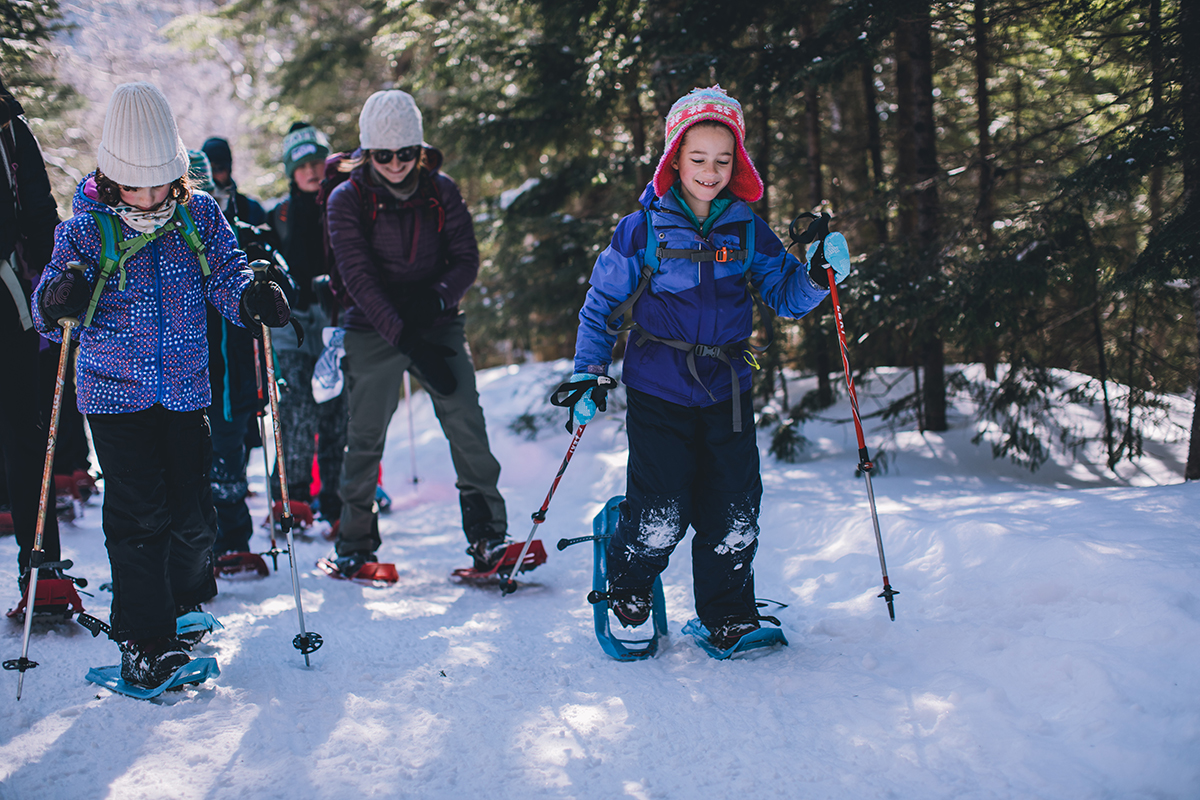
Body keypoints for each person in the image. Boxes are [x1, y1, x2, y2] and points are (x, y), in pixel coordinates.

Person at [564, 86, 847, 651]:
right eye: (698, 159)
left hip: (729, 392)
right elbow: (600, 306)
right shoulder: (640, 230)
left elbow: (783, 295)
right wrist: (587, 373)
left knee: (734, 511)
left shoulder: (746, 230)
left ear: (737, 163)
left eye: (723, 160)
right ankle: (629, 590)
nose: (710, 171)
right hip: (658, 390)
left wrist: (816, 276)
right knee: (661, 511)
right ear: (675, 158)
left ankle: (727, 613)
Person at [32, 82, 292, 689]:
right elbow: (50, 314)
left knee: (193, 513)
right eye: (135, 185)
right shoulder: (86, 228)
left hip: (183, 388)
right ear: (110, 174)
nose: (150, 199)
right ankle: (144, 639)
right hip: (113, 391)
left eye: (160, 184)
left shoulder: (198, 215)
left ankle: (179, 603)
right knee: (140, 514)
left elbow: (227, 275)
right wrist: (59, 296)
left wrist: (252, 296)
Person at [326, 89, 508, 576]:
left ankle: (489, 535)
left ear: (420, 150)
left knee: (466, 419)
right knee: (364, 435)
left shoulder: (440, 190)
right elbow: (358, 280)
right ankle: (354, 542)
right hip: (372, 326)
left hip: (437, 319)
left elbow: (466, 258)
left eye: (406, 153)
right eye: (383, 155)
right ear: (366, 153)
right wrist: (407, 341)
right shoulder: (347, 199)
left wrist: (432, 303)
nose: (395, 164)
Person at [0, 72, 64, 594]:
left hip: (9, 297)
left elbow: (40, 210)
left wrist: (51, 282)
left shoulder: (11, 127)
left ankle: (41, 567)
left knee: (25, 428)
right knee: (24, 429)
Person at [188, 149, 268, 564]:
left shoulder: (237, 226)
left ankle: (234, 537)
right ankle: (197, 545)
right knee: (193, 459)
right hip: (188, 368)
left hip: (233, 364)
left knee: (230, 450)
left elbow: (272, 275)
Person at [266, 121, 346, 524]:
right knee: (295, 403)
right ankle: (291, 496)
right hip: (291, 322)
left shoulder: (344, 203)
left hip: (337, 317)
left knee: (337, 405)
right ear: (290, 172)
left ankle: (335, 497)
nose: (312, 171)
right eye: (302, 166)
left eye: (317, 162)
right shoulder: (277, 214)